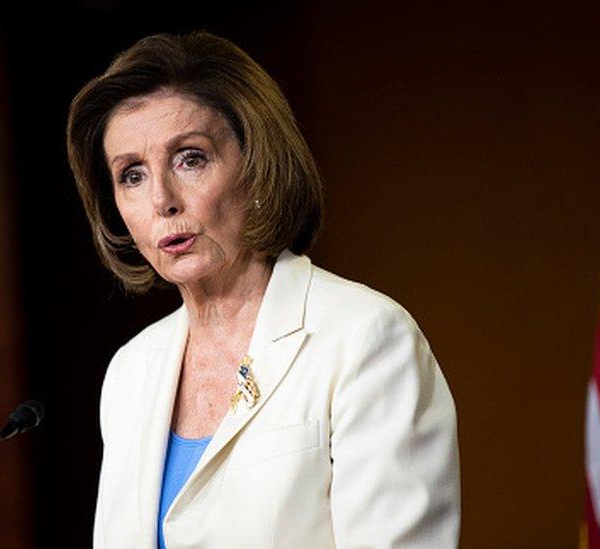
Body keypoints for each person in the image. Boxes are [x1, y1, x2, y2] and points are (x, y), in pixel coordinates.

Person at [66, 30, 460, 549]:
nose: (161, 199)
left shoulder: (364, 338)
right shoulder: (131, 371)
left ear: (257, 164)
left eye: (190, 158)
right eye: (132, 175)